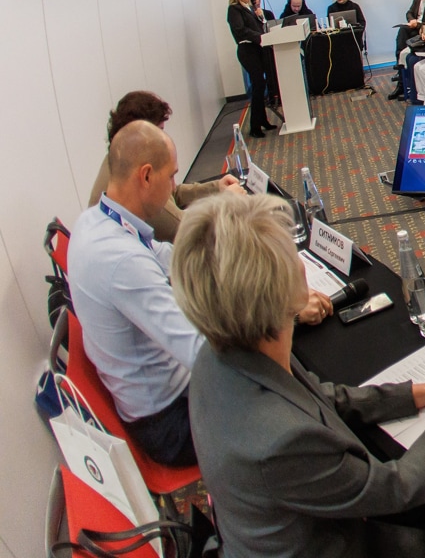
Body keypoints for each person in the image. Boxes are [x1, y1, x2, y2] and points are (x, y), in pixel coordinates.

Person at [173, 194, 425, 558]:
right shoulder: (281, 442)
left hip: (273, 527)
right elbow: (397, 489)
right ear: (274, 291)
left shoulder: (221, 352)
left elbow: (318, 397)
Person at [70, 122, 330, 468]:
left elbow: (175, 260)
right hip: (170, 424)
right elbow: (204, 354)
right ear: (145, 176)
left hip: (163, 393)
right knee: (298, 402)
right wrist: (283, 311)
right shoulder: (122, 263)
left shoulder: (96, 221)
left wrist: (255, 269)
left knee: (289, 368)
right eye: (171, 177)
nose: (173, 187)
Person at [89, 92, 244, 243]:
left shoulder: (119, 159)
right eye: (159, 132)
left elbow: (171, 192)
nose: (163, 139)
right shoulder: (138, 186)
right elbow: (186, 230)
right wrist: (224, 202)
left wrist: (216, 188)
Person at [228, 0, 274, 137]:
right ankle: (255, 126)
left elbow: (257, 27)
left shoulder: (247, 8)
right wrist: (260, 37)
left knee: (261, 85)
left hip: (257, 49)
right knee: (258, 85)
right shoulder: (234, 9)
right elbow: (241, 30)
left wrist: (261, 18)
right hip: (247, 50)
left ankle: (263, 120)